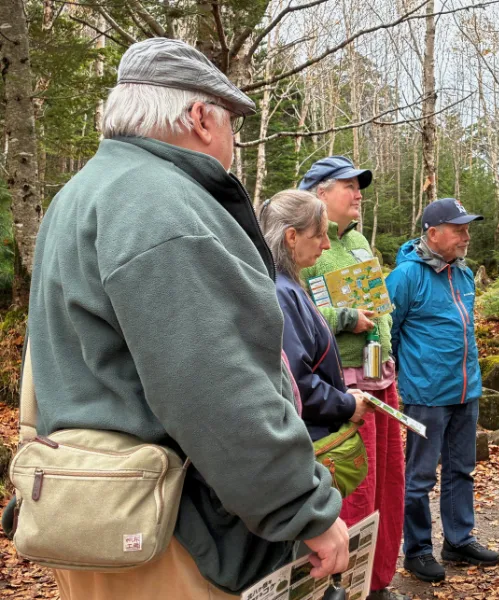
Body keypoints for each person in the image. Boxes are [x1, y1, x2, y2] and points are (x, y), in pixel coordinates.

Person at [10, 38, 349, 598]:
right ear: (199, 117)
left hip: (93, 515)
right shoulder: (162, 204)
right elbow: (219, 388)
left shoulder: (81, 193)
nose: (233, 142)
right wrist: (303, 508)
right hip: (171, 535)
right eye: (231, 124)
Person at [299, 157, 406, 600]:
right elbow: (293, 311)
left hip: (380, 375)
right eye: (348, 185)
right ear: (320, 193)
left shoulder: (360, 239)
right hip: (342, 385)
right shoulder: (301, 242)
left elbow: (377, 300)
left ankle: (377, 581)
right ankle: (342, 587)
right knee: (353, 489)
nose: (358, 193)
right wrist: (346, 317)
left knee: (388, 484)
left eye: (360, 185)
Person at [386, 198, 499, 583]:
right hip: (426, 393)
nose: (466, 236)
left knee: (461, 470)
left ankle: (458, 540)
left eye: (468, 228)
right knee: (419, 476)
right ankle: (416, 550)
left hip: (466, 389)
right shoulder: (405, 276)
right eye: (459, 229)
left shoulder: (463, 273)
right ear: (433, 234)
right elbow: (389, 334)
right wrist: (406, 380)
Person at [257, 189, 374, 440]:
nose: (327, 244)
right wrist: (346, 405)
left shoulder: (285, 284)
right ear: (291, 237)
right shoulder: (281, 292)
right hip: (308, 436)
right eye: (319, 235)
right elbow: (297, 383)